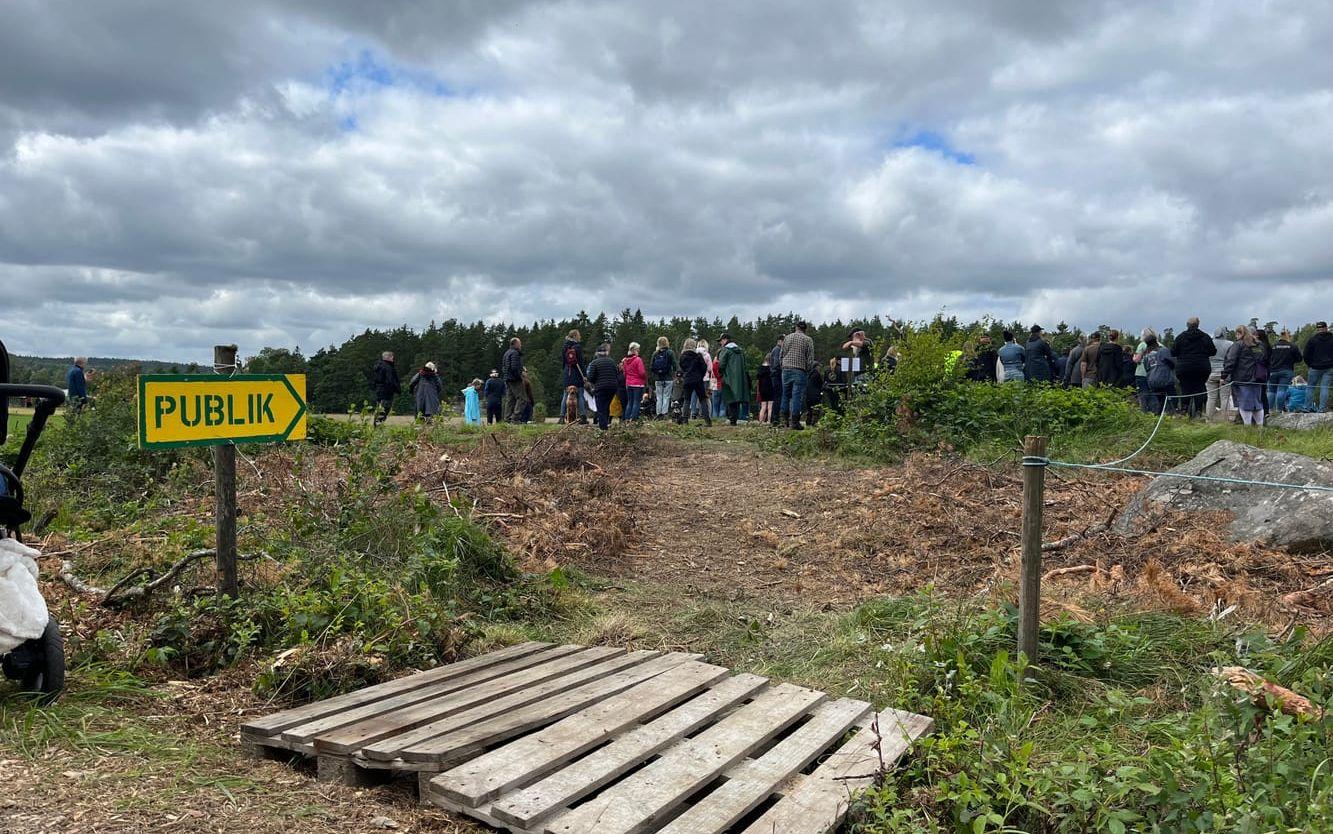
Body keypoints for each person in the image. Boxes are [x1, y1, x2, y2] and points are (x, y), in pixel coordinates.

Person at [1172, 317, 1215, 418]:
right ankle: (1199, 411)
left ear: (1187, 325)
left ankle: (1184, 410)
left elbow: (1173, 352)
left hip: (1184, 368)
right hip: (1201, 368)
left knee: (1185, 388)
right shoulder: (1205, 337)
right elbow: (1213, 351)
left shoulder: (1180, 337)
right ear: (1198, 324)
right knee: (1200, 387)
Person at [1223, 326, 1265, 426]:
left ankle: (1247, 427)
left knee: (1244, 404)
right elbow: (1263, 359)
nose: (1236, 336)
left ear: (1240, 334)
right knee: (1257, 404)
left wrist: (1224, 376)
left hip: (1242, 379)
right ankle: (1260, 427)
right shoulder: (1258, 345)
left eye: (1237, 334)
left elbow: (1230, 361)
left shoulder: (1238, 345)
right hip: (1258, 377)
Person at [781, 321, 815, 430]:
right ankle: (795, 422)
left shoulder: (787, 338)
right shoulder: (808, 340)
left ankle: (784, 420)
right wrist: (808, 370)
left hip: (786, 369)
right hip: (800, 370)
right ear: (805, 329)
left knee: (785, 395)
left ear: (796, 327)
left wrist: (783, 365)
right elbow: (810, 359)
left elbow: (782, 353)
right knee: (796, 396)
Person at [676, 338, 712, 426]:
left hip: (688, 379)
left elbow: (682, 367)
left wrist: (685, 374)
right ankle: (707, 420)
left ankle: (685, 419)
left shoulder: (682, 357)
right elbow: (704, 367)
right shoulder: (698, 356)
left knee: (687, 399)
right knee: (702, 399)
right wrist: (701, 375)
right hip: (698, 379)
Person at [585, 343, 620, 430]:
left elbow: (590, 377)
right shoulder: (612, 361)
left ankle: (603, 427)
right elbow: (617, 373)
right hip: (612, 387)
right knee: (607, 405)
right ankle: (606, 424)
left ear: (597, 354)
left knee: (600, 407)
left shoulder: (594, 363)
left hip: (601, 387)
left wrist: (594, 383)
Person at [717, 333, 749, 425]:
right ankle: (735, 418)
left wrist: (720, 373)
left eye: (721, 340)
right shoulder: (741, 351)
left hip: (728, 378)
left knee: (730, 398)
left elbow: (721, 364)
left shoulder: (726, 350)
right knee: (737, 399)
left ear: (725, 340)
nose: (720, 343)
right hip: (740, 378)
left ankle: (731, 419)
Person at [1267, 329, 1302, 413]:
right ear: (1288, 336)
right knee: (1281, 390)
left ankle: (1269, 410)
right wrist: (1292, 360)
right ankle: (1279, 410)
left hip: (1273, 370)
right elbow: (1299, 358)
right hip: (1287, 370)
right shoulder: (1292, 346)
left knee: (1271, 391)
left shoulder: (1273, 346)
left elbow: (1268, 357)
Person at [1140, 334, 1176, 415]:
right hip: (1165, 379)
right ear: (1156, 341)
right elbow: (1172, 364)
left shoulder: (1146, 355)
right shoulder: (1163, 351)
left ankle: (1159, 415)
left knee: (1160, 400)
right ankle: (1172, 415)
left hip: (1152, 381)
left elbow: (1146, 368)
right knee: (1173, 399)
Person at [1304, 321, 1333, 412]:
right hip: (1329, 367)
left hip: (1315, 367)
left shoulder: (1312, 340)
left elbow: (1306, 354)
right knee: (1324, 387)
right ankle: (1322, 409)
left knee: (1310, 387)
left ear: (1317, 329)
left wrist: (1310, 364)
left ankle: (1307, 407)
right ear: (1326, 328)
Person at [561, 330, 588, 425]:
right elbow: (581, 362)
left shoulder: (564, 346)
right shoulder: (578, 347)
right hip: (577, 373)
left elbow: (563, 361)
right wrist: (584, 375)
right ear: (576, 336)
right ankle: (583, 416)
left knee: (565, 395)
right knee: (580, 394)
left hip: (567, 373)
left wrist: (564, 372)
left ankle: (561, 416)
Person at [1206, 326, 1234, 419]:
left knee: (1211, 397)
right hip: (1224, 373)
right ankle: (1223, 420)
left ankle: (1209, 419)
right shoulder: (1230, 344)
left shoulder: (1209, 343)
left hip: (1211, 372)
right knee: (1225, 397)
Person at [371, 351, 400, 425]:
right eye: (392, 357)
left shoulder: (378, 367)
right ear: (389, 357)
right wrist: (397, 389)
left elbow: (374, 380)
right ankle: (378, 425)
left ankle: (376, 425)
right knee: (384, 409)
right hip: (387, 392)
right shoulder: (388, 367)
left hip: (379, 391)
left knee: (379, 408)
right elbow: (391, 380)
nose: (393, 359)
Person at [650, 336, 675, 420]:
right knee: (666, 396)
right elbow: (674, 365)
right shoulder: (670, 353)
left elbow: (651, 366)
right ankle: (664, 413)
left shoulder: (655, 353)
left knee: (659, 397)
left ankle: (658, 413)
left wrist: (655, 374)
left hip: (658, 378)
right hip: (668, 378)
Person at [501, 337, 525, 423]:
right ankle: (515, 418)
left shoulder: (506, 353)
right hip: (515, 379)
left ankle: (507, 418)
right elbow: (514, 367)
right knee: (521, 398)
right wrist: (520, 376)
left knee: (510, 400)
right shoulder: (515, 353)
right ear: (516, 344)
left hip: (507, 379)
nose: (521, 345)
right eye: (520, 343)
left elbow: (504, 367)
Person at [621, 342, 647, 422]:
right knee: (636, 401)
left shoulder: (625, 360)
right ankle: (633, 418)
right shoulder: (638, 360)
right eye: (638, 349)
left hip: (628, 383)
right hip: (638, 384)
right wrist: (644, 378)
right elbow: (642, 372)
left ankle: (627, 418)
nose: (638, 351)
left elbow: (624, 373)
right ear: (634, 350)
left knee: (630, 401)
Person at [1132, 329, 1156, 410]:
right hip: (1153, 372)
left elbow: (1137, 360)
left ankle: (1144, 411)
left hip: (1141, 372)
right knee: (1153, 393)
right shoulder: (1158, 345)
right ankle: (1154, 410)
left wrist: (1134, 357)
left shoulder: (1142, 345)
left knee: (1143, 393)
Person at [768, 337, 785, 426]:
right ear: (780, 341)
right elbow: (777, 364)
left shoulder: (775, 350)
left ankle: (774, 419)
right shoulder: (777, 350)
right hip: (777, 376)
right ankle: (775, 418)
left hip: (775, 376)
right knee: (777, 398)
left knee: (777, 398)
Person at [756, 359, 774, 424]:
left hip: (762, 389)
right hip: (770, 388)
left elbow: (758, 380)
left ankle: (760, 422)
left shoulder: (760, 369)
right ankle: (769, 421)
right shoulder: (771, 369)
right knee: (770, 407)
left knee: (763, 407)